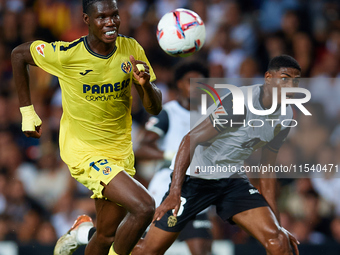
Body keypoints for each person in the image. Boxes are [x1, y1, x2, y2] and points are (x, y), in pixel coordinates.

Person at [11, 1, 162, 255]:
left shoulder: (131, 49)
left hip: (119, 150)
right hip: (84, 151)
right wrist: (27, 112)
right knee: (145, 206)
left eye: (114, 15)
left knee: (105, 235)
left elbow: (154, 108)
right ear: (87, 20)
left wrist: (146, 85)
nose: (110, 22)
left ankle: (80, 231)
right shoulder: (67, 54)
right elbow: (18, 55)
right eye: (102, 17)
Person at [132, 55, 301, 255]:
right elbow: (189, 140)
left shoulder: (286, 115)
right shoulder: (239, 104)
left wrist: (277, 224)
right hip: (195, 179)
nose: (290, 85)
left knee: (278, 241)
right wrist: (174, 193)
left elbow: (267, 169)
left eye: (295, 81)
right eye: (284, 78)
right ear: (268, 78)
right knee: (149, 250)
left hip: (232, 180)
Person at [135, 61, 213, 255]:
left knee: (202, 249)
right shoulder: (168, 112)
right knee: (150, 248)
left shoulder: (210, 115)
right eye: (190, 82)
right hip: (166, 184)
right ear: (179, 84)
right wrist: (171, 155)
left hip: (196, 186)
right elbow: (142, 148)